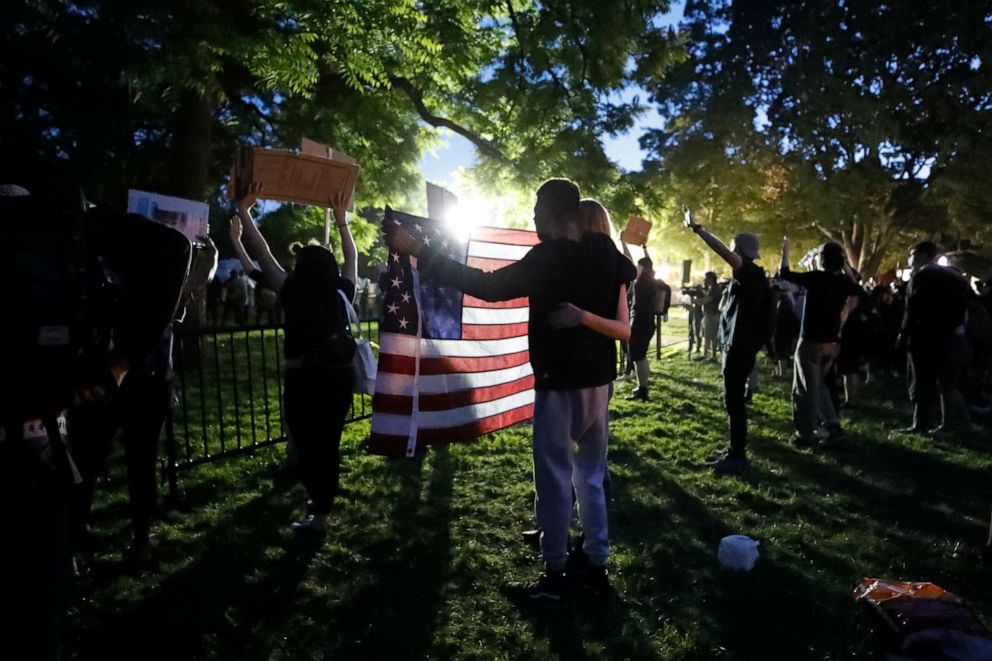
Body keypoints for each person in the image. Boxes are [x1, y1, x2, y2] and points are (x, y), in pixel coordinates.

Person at [384, 179, 635, 601]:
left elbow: (488, 287)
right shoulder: (605, 251)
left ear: (553, 213)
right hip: (599, 383)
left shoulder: (547, 258)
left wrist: (420, 251)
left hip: (560, 386)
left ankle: (554, 576)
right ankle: (596, 566)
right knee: (590, 478)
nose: (533, 220)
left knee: (554, 480)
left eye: (537, 212)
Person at [0, 156, 191, 660]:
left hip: (49, 433)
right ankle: (77, 542)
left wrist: (120, 362)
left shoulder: (71, 233)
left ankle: (131, 535)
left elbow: (174, 250)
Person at [230, 184, 357, 532]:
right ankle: (322, 510)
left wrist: (245, 214)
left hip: (303, 380)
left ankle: (318, 509)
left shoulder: (291, 290)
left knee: (306, 444)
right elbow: (353, 260)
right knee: (329, 445)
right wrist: (343, 222)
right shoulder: (341, 292)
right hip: (337, 378)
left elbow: (263, 253)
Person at [683, 207, 770, 475]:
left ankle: (738, 456)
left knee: (733, 401)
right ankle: (734, 449)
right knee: (732, 400)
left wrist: (698, 230)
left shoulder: (750, 275)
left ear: (740, 252)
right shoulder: (746, 279)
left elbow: (722, 251)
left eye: (734, 251)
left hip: (740, 348)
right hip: (737, 346)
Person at [778, 239, 863, 446]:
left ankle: (805, 433)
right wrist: (845, 266)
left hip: (810, 342)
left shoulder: (816, 278)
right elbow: (857, 288)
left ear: (822, 260)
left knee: (804, 389)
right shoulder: (843, 283)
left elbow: (785, 273)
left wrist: (785, 252)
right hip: (832, 344)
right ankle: (833, 424)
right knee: (822, 386)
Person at [898, 241, 972, 435]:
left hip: (922, 335)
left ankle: (920, 423)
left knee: (920, 381)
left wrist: (903, 333)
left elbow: (912, 308)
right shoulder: (955, 277)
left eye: (912, 255)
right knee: (947, 384)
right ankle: (955, 424)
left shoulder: (922, 276)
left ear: (922, 255)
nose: (910, 260)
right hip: (949, 335)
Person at [626, 249, 659, 401]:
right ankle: (643, 385)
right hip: (649, 322)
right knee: (642, 356)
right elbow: (649, 263)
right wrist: (646, 249)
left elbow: (629, 259)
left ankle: (642, 389)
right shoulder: (652, 280)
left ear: (642, 268)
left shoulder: (640, 281)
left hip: (639, 322)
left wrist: (624, 244)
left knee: (638, 357)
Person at [701, 271, 722, 360]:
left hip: (712, 315)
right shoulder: (711, 288)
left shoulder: (714, 289)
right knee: (708, 335)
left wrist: (694, 301)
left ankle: (710, 355)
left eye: (706, 278)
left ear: (711, 279)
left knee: (710, 336)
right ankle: (707, 354)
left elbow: (707, 300)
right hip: (710, 314)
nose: (705, 280)